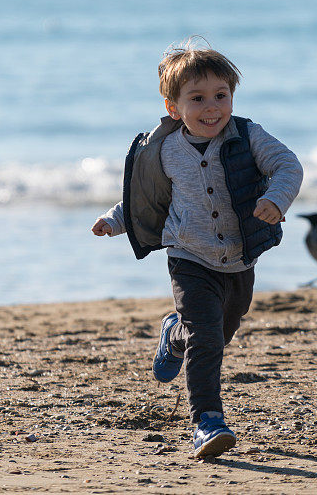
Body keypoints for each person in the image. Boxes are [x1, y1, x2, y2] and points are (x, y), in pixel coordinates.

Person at [91, 40, 303, 458]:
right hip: (188, 256)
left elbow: (288, 165)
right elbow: (144, 197)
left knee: (219, 334)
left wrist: (277, 200)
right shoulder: (163, 149)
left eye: (220, 96)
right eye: (198, 98)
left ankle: (174, 333)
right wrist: (116, 221)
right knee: (206, 339)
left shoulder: (247, 135)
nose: (212, 108)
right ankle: (207, 421)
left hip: (239, 259)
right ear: (173, 107)